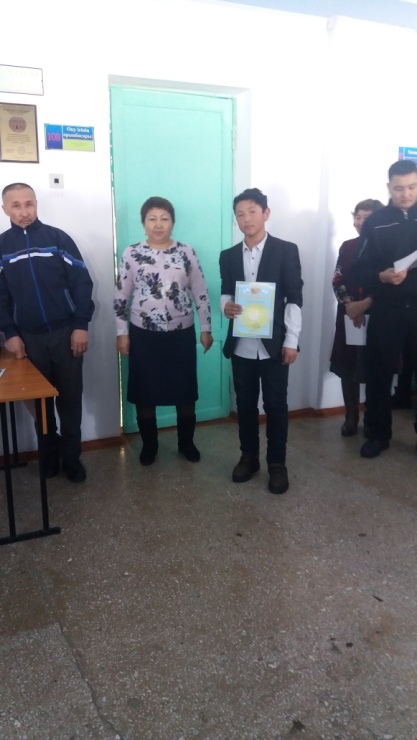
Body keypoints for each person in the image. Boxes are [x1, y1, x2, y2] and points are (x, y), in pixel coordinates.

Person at [0, 183, 94, 482]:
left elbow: (82, 283)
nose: (24, 211)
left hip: (66, 334)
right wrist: (10, 333)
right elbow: (1, 297)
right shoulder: (3, 247)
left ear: (36, 204)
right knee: (40, 404)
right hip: (28, 338)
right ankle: (49, 456)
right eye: (16, 205)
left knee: (70, 401)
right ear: (5, 209)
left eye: (29, 204)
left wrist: (80, 325)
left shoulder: (57, 239)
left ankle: (72, 459)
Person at [114, 196, 213, 465]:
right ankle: (150, 446)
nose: (158, 225)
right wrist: (122, 333)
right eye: (152, 219)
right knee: (145, 393)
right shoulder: (131, 253)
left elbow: (200, 291)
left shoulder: (186, 252)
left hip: (181, 334)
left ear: (172, 222)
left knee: (184, 391)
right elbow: (121, 296)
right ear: (144, 223)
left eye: (164, 219)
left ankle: (186, 443)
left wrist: (206, 327)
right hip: (143, 334)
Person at [219, 188, 303, 495]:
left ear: (266, 213)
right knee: (244, 404)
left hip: (275, 344)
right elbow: (226, 292)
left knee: (276, 404)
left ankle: (277, 464)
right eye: (240, 214)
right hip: (241, 343)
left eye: (252, 211)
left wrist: (292, 340)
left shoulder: (286, 250)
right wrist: (226, 306)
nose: (246, 219)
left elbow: (294, 298)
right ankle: (249, 457)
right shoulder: (228, 255)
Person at [354, 159, 417, 458]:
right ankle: (378, 433)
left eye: (413, 187)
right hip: (387, 309)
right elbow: (359, 268)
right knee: (379, 373)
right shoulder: (376, 222)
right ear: (389, 188)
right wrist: (381, 276)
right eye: (399, 188)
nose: (406, 194)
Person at [330, 199, 384, 436]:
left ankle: (373, 418)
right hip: (349, 315)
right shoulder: (347, 246)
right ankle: (351, 416)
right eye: (358, 216)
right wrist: (350, 305)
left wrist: (365, 304)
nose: (360, 222)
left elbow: (387, 284)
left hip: (378, 315)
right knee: (347, 366)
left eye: (366, 218)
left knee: (376, 369)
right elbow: (337, 278)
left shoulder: (386, 247)